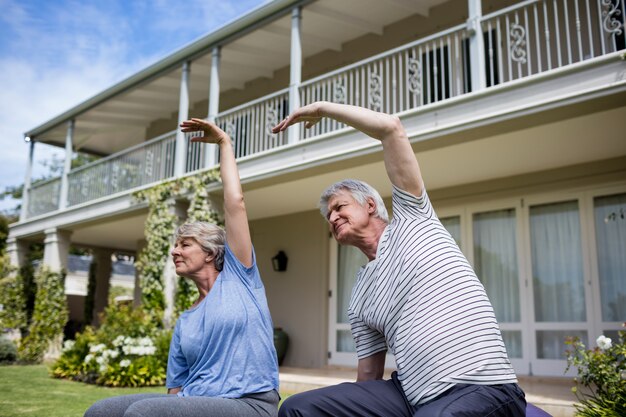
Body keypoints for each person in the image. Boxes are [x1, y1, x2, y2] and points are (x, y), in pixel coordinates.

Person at [273, 102, 526, 417]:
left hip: (481, 388)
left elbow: (390, 128)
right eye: (329, 214)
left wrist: (324, 110)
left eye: (339, 206)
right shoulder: (359, 296)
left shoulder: (413, 220)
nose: (333, 216)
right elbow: (367, 376)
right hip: (408, 396)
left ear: (369, 205)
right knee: (298, 408)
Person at [84, 119, 279, 417]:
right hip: (195, 399)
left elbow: (235, 203)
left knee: (143, 413)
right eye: (176, 245)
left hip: (248, 403)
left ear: (212, 252)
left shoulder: (240, 278)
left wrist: (224, 144)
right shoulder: (186, 320)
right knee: (102, 410)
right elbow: (175, 392)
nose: (175, 251)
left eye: (185, 244)